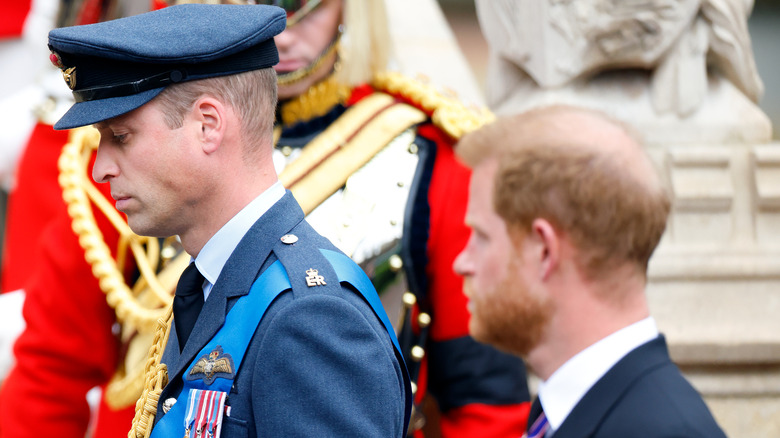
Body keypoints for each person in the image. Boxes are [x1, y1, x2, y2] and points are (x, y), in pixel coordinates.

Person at [44, 3, 410, 437]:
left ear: (208, 125)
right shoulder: (215, 282)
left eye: (121, 137)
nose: (100, 168)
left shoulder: (311, 318)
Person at [267, 0, 530, 435]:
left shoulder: (434, 152)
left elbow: (485, 396)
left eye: (307, 9)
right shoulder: (164, 139)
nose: (283, 35)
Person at [453, 105, 727, 438]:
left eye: (481, 237)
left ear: (544, 250)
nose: (461, 262)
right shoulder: (569, 410)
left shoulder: (661, 430)